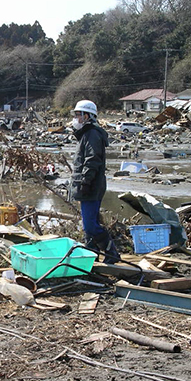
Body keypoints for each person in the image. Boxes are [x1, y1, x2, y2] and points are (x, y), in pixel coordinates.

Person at [70, 99, 121, 264]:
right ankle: (91, 256)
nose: (76, 118)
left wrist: (85, 182)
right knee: (88, 225)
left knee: (91, 225)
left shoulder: (92, 134)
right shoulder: (86, 134)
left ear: (88, 116)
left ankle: (111, 252)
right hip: (89, 185)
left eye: (79, 115)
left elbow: (92, 160)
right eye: (76, 115)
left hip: (91, 186)